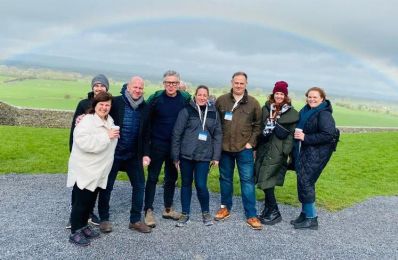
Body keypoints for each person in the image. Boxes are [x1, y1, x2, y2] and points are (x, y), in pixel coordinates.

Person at [97, 76, 152, 234]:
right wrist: (83, 116)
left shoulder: (145, 107)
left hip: (133, 155)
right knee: (107, 187)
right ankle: (104, 218)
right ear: (128, 87)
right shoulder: (116, 102)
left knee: (140, 186)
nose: (137, 90)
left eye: (140, 88)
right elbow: (98, 110)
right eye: (135, 87)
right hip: (114, 153)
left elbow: (147, 133)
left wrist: (146, 154)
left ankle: (135, 220)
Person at [67, 91, 119, 246]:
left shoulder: (110, 120)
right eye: (101, 104)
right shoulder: (86, 121)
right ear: (95, 105)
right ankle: (75, 231)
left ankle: (83, 226)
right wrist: (107, 136)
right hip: (86, 169)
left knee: (90, 202)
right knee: (81, 202)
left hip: (99, 170)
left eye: (107, 104)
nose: (104, 107)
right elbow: (84, 143)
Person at [214, 71, 263, 230]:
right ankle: (225, 208)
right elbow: (214, 123)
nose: (239, 85)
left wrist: (251, 143)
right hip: (225, 148)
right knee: (225, 179)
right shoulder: (221, 101)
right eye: (236, 82)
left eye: (242, 83)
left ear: (246, 84)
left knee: (247, 182)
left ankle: (251, 215)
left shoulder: (254, 103)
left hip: (244, 149)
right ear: (231, 82)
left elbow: (258, 126)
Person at [143, 70, 191, 228]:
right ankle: (148, 210)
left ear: (179, 84)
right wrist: (146, 147)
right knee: (152, 178)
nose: (171, 86)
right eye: (168, 83)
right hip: (157, 144)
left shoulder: (184, 99)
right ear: (164, 84)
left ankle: (168, 209)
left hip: (175, 146)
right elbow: (146, 121)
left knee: (171, 178)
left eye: (174, 83)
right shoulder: (156, 99)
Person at [171, 85, 222, 227]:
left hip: (204, 156)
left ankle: (205, 213)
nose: (202, 97)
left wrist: (216, 156)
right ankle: (185, 213)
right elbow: (177, 134)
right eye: (199, 94)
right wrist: (175, 157)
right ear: (195, 95)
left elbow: (218, 135)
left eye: (205, 95)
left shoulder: (214, 112)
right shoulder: (186, 110)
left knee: (201, 185)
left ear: (208, 97)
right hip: (186, 155)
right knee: (186, 184)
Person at [67, 74, 110, 228]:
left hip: (98, 156)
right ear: (92, 87)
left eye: (102, 85)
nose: (99, 88)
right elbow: (75, 129)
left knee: (92, 189)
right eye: (96, 85)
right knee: (80, 188)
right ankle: (74, 219)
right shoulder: (83, 104)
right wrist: (73, 149)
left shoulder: (107, 105)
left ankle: (88, 215)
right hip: (84, 154)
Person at [292, 87, 336, 230]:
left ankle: (312, 219)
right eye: (309, 97)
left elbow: (328, 135)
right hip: (306, 151)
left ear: (322, 98)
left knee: (306, 182)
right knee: (302, 180)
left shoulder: (324, 114)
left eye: (315, 97)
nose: (311, 99)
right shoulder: (306, 110)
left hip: (317, 153)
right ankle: (304, 214)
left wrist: (305, 137)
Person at [254, 81, 299, 225]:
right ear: (273, 94)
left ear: (285, 96)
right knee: (266, 180)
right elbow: (260, 126)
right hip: (264, 149)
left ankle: (275, 212)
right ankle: (268, 209)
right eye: (277, 93)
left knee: (267, 180)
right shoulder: (267, 108)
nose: (279, 96)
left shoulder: (291, 113)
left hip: (277, 152)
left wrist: (284, 151)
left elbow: (292, 135)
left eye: (281, 94)